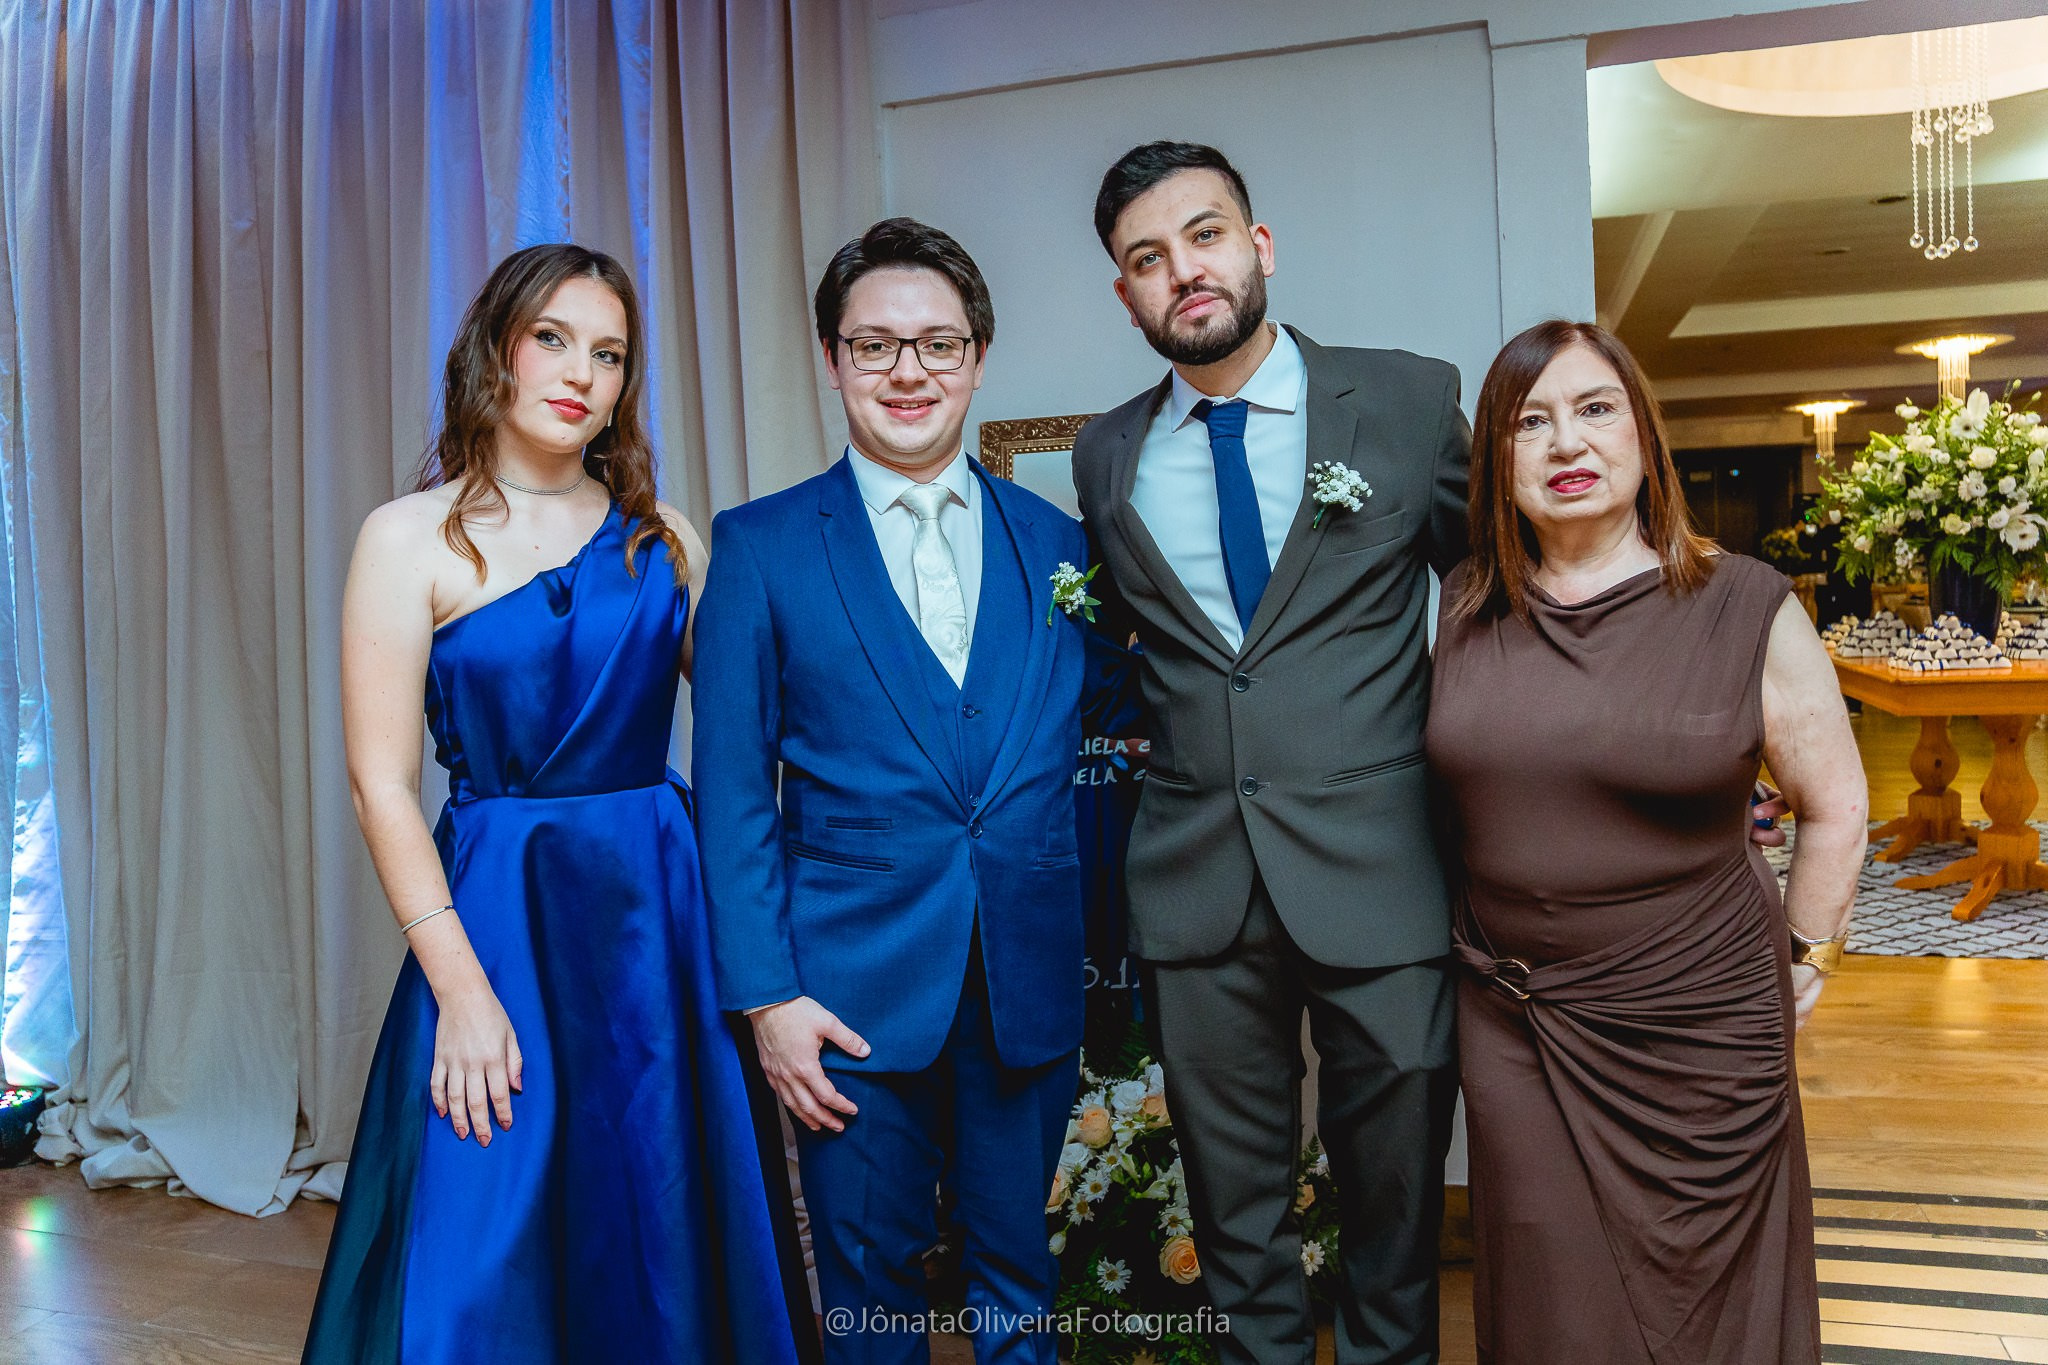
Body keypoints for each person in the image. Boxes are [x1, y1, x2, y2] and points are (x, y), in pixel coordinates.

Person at [305, 244, 799, 1363]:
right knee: (484, 1237)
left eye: (611, 353)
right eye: (553, 339)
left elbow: (751, 736)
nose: (583, 373)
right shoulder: (407, 536)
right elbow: (379, 784)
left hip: (653, 922)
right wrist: (462, 991)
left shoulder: (665, 537)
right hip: (494, 925)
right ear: (497, 350)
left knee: (658, 1220)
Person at [1070, 141, 1468, 1364]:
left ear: (1258, 246)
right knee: (1238, 1238)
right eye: (1146, 258)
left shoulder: (1401, 400)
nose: (1180, 270)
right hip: (1196, 889)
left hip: (1382, 876)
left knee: (1396, 1231)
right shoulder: (1106, 455)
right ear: (1126, 295)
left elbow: (1501, 587)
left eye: (1201, 234)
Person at [692, 218, 1097, 1365]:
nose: (908, 372)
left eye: (936, 344)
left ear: (977, 357)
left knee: (1022, 1279)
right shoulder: (760, 549)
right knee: (869, 1299)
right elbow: (730, 796)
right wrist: (768, 1000)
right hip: (846, 997)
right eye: (874, 347)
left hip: (1023, 984)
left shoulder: (1054, 542)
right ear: (832, 360)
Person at [1424, 320, 1866, 1364]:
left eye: (1591, 410)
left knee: (1709, 1297)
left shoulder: (1742, 604)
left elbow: (1835, 803)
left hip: (1699, 1016)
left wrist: (1808, 953)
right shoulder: (1463, 604)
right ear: (1496, 459)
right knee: (1547, 1293)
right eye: (1528, 423)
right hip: (1515, 1017)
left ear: (1640, 436)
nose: (1563, 445)